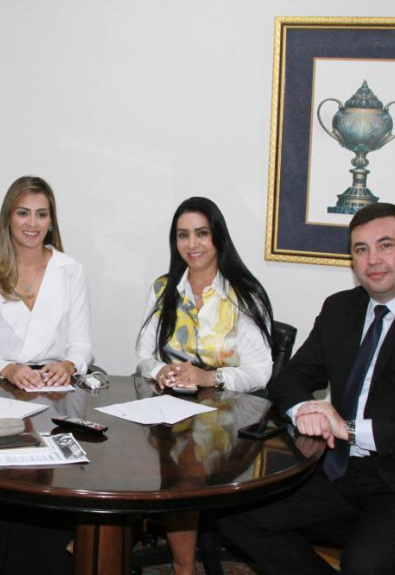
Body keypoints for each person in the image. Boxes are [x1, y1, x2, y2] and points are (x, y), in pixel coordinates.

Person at [217, 203, 395, 574]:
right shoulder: (341, 309)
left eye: (385, 245)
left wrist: (349, 429)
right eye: (361, 249)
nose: (373, 260)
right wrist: (305, 410)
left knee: (363, 564)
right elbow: (291, 378)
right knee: (234, 515)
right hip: (343, 469)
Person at [0, 175, 94, 574]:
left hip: (57, 392)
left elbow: (82, 344)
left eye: (41, 214)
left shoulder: (70, 269)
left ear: (52, 221)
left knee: (51, 485)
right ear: (8, 217)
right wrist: (8, 368)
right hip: (1, 390)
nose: (32, 223)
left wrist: (68, 365)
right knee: (2, 488)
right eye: (23, 213)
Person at [136, 196, 274, 575]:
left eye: (201, 233)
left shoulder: (242, 294)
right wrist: (160, 370)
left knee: (186, 475)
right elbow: (143, 355)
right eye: (183, 235)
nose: (192, 244)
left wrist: (209, 376)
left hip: (227, 416)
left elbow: (261, 371)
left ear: (218, 238)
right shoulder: (164, 289)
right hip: (168, 411)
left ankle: (183, 567)